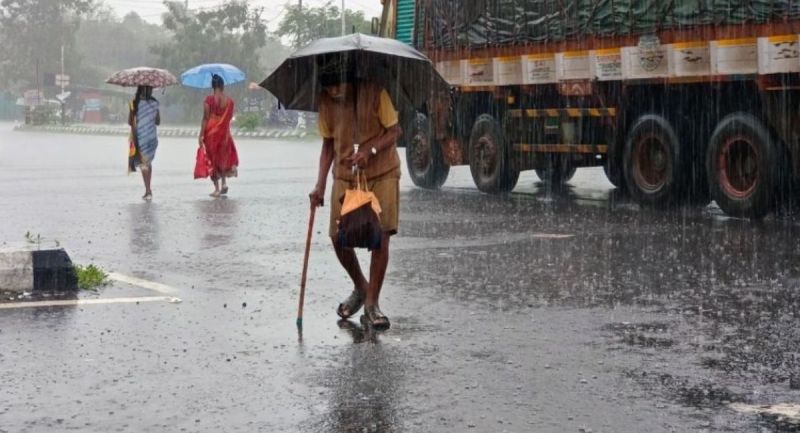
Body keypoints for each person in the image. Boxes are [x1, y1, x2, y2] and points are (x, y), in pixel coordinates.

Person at [308, 68, 402, 330]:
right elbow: (328, 144)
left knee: (381, 236)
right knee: (337, 236)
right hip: (345, 174)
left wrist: (370, 150)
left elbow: (395, 131)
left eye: (338, 86)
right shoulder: (326, 102)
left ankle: (372, 303)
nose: (334, 93)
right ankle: (361, 287)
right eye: (328, 89)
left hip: (382, 171)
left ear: (349, 79)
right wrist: (319, 185)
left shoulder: (375, 92)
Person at [199, 74, 239, 197]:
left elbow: (205, 118)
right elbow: (229, 118)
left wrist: (201, 135)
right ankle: (224, 183)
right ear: (222, 86)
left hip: (211, 133)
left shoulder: (209, 100)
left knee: (212, 160)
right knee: (223, 157)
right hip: (224, 133)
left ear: (212, 86)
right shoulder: (230, 102)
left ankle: (216, 189)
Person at [128, 85, 160, 200]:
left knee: (143, 164)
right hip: (152, 137)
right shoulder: (155, 103)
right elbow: (158, 122)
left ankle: (148, 190)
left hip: (140, 137)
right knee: (148, 163)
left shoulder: (134, 103)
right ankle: (148, 189)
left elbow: (130, 122)